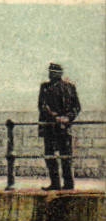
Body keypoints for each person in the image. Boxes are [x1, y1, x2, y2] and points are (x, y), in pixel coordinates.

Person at [38, 61, 81, 190]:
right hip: (54, 127)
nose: (50, 74)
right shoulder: (45, 87)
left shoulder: (68, 87)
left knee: (65, 156)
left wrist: (66, 118)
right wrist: (59, 118)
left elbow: (76, 107)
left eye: (53, 72)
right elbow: (42, 106)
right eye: (50, 72)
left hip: (61, 127)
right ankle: (57, 183)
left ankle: (67, 184)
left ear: (59, 74)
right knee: (52, 156)